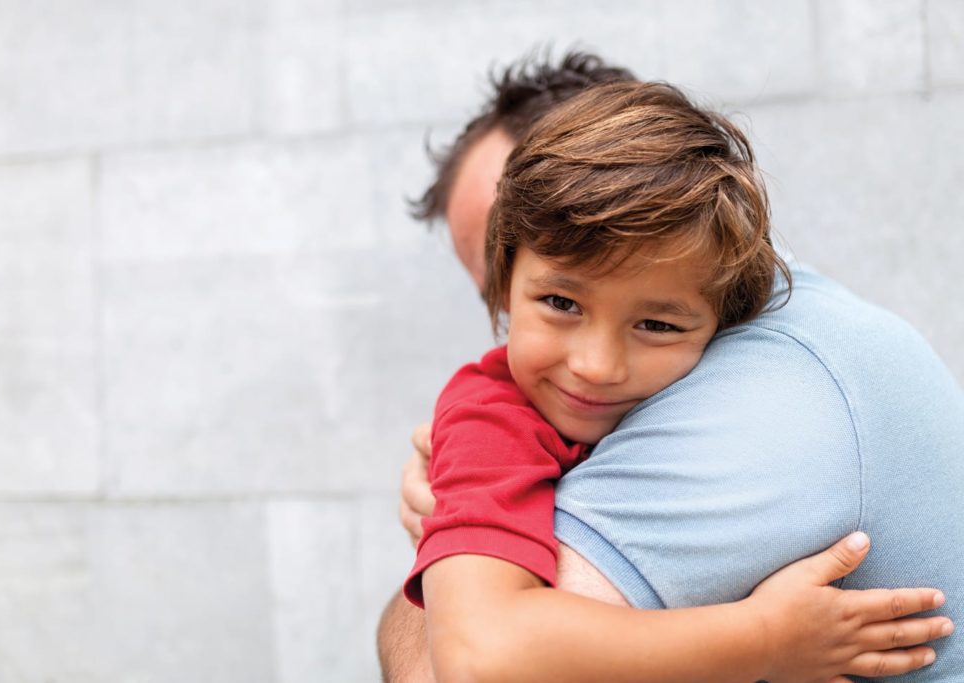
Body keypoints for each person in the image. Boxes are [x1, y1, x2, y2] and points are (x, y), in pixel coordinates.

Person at [379, 52, 964, 681]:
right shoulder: (491, 426)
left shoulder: (773, 379)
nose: (596, 366)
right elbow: (477, 661)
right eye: (556, 302)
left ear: (726, 313)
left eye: (656, 324)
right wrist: (764, 638)